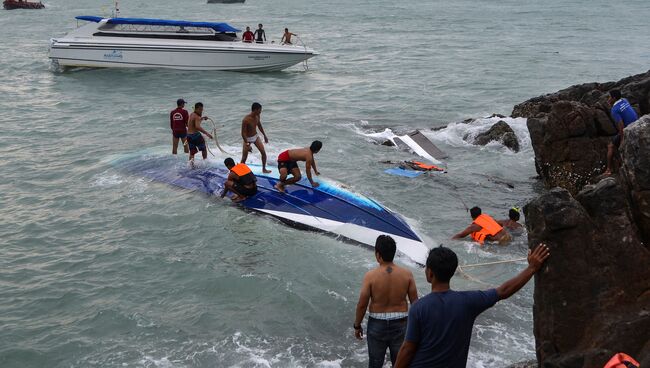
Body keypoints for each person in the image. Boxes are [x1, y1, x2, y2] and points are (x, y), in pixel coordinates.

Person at [394, 244, 550, 368]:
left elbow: (408, 349)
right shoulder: (469, 301)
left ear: (430, 273)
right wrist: (532, 268)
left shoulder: (419, 308)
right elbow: (504, 290)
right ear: (453, 271)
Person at [354, 235, 418, 368]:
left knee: (375, 364)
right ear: (394, 253)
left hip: (377, 324)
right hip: (401, 323)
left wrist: (357, 325)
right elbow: (415, 304)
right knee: (400, 364)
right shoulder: (407, 274)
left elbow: (362, 304)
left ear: (378, 254)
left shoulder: (370, 276)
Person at [605, 89, 639, 175]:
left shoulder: (614, 110)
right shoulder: (624, 100)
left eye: (609, 97)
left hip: (629, 128)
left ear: (614, 98)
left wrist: (622, 139)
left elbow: (621, 125)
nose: (608, 99)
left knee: (610, 146)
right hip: (637, 124)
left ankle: (609, 170)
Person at [240, 102, 271, 173]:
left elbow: (259, 126)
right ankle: (240, 171)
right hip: (247, 139)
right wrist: (247, 144)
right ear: (255, 110)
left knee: (263, 152)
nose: (261, 111)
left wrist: (264, 135)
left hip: (255, 136)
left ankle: (264, 169)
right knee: (244, 157)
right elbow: (243, 133)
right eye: (260, 110)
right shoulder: (246, 120)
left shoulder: (257, 116)